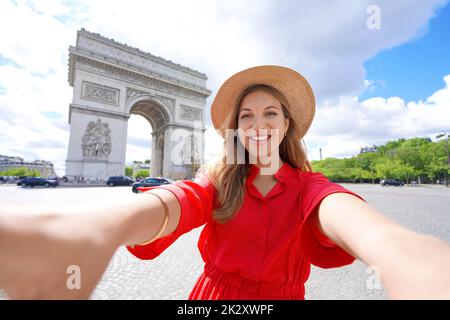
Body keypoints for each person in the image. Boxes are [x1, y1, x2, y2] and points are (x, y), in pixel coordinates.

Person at [0, 66, 449, 300]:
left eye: (270, 112)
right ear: (235, 128)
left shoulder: (311, 186)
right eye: (246, 116)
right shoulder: (219, 181)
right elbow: (180, 200)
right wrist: (101, 227)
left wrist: (398, 251)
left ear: (288, 123)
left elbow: (340, 211)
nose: (258, 125)